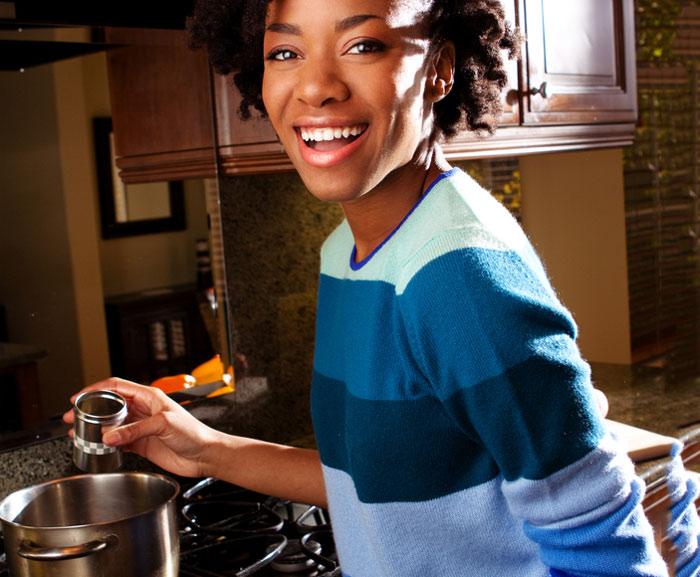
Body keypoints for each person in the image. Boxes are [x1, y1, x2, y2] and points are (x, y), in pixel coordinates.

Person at [65, 1, 672, 575]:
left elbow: (606, 548)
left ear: (438, 70)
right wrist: (203, 449)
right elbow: (373, 483)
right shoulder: (351, 252)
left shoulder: (459, 278)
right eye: (285, 54)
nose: (315, 86)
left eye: (362, 44)